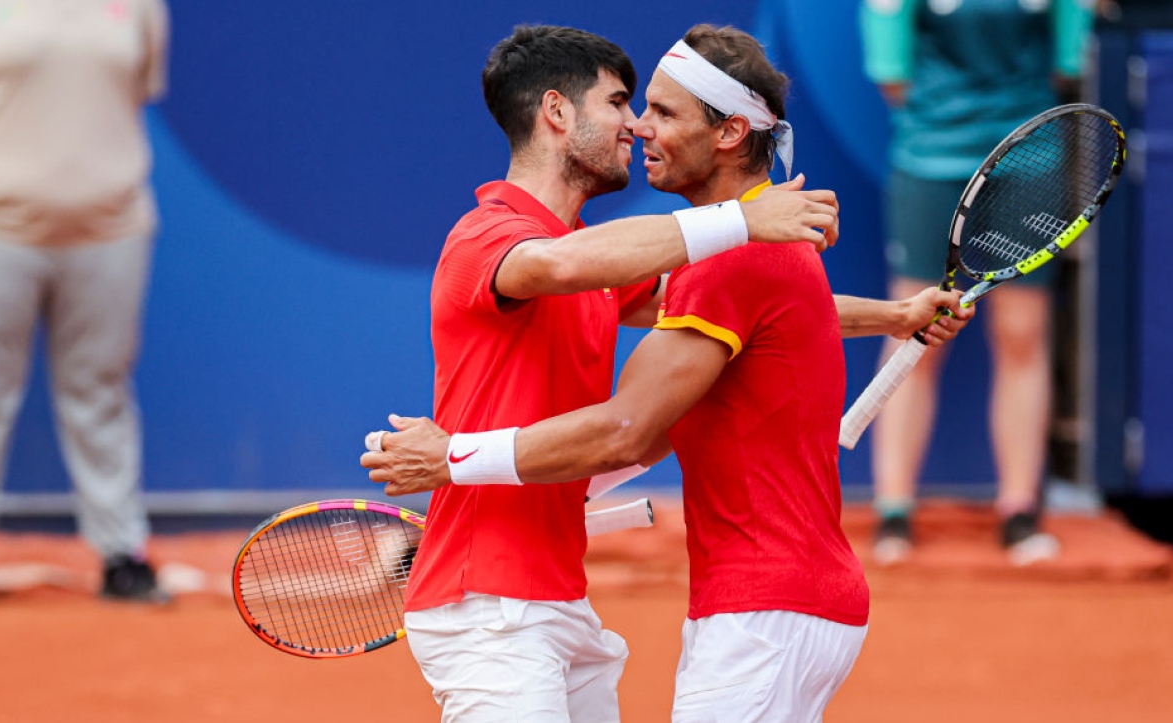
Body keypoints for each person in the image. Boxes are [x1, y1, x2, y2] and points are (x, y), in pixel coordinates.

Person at [362, 24, 972, 721]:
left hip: (564, 600)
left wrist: (893, 315)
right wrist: (742, 221)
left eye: (652, 109)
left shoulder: (612, 265)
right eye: (621, 103)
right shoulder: (490, 235)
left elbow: (747, 311)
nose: (636, 126)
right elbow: (561, 271)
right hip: (489, 597)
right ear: (557, 113)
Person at [859, 0, 1094, 566]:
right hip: (929, 159)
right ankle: (894, 510)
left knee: (1022, 331)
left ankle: (1018, 510)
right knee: (912, 331)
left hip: (1028, 161)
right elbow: (892, 75)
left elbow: (1067, 61)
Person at [0, 0, 171, 602]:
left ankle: (120, 553)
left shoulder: (140, 7)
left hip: (112, 227)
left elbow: (137, 88)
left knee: (100, 389)